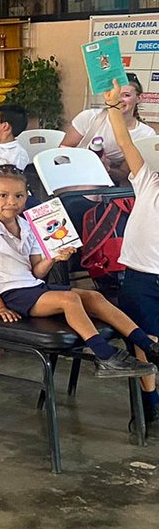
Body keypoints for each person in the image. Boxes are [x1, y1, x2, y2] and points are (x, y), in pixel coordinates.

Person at [0, 164, 158, 378]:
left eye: (19, 196)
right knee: (70, 300)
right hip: (12, 296)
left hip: (34, 288)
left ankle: (150, 348)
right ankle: (105, 356)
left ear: (26, 197)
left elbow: (37, 273)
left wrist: (53, 257)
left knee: (93, 296)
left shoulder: (27, 227)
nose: (11, 202)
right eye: (3, 195)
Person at [106, 82, 159, 427]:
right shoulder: (147, 180)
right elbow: (124, 141)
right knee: (143, 339)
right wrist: (113, 107)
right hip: (140, 275)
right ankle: (149, 401)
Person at [62, 72, 154, 184]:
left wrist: (107, 168)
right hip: (73, 175)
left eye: (126, 95)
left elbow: (124, 174)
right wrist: (85, 159)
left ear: (139, 98)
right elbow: (63, 148)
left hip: (107, 183)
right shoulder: (89, 117)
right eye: (115, 94)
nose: (119, 100)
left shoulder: (146, 134)